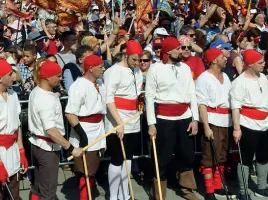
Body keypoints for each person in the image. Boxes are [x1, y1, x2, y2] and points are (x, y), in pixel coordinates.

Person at [146, 37, 199, 200]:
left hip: (185, 116)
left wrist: (195, 119)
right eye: (177, 49)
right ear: (168, 52)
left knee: (187, 154)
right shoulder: (154, 69)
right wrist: (151, 123)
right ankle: (159, 193)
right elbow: (149, 96)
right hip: (164, 118)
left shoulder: (185, 68)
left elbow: (192, 94)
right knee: (162, 157)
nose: (181, 51)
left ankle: (188, 189)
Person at [28, 61, 83, 200]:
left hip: (37, 144)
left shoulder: (37, 91)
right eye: (58, 76)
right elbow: (51, 131)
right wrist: (71, 148)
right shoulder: (45, 99)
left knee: (38, 186)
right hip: (47, 149)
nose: (61, 78)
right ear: (47, 78)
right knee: (48, 192)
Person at [230, 49, 268, 200]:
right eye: (260, 62)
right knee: (246, 158)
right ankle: (243, 192)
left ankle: (262, 188)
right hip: (248, 124)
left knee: (263, 156)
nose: (264, 64)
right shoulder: (239, 82)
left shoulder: (262, 77)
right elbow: (235, 107)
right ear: (250, 65)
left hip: (264, 123)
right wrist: (237, 128)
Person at [104, 40, 143, 200]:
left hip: (133, 119)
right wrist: (119, 123)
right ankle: (114, 196)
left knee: (128, 158)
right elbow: (109, 99)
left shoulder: (138, 71)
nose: (137, 62)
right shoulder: (113, 71)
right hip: (117, 119)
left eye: (139, 59)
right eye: (134, 59)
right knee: (117, 158)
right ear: (126, 55)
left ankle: (124, 194)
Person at [65, 55, 106, 200]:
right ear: (90, 68)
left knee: (92, 170)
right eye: (100, 67)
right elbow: (70, 113)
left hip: (98, 130)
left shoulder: (100, 83)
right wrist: (82, 134)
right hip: (85, 130)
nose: (103, 69)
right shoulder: (79, 85)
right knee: (85, 171)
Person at [196, 48, 235, 200]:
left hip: (227, 121)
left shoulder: (225, 76)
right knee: (209, 156)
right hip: (212, 120)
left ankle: (219, 186)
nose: (226, 58)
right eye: (222, 56)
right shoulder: (204, 78)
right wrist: (206, 126)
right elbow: (202, 105)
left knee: (222, 155)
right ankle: (209, 190)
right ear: (213, 60)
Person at [0, 59, 28, 200]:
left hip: (13, 152)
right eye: (10, 74)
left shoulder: (13, 95)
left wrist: (21, 151)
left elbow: (17, 126)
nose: (14, 77)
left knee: (14, 193)